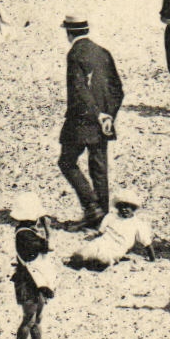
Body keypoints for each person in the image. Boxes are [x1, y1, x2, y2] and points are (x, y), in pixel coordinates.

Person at [59, 13, 125, 229]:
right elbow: (117, 89)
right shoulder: (103, 52)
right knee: (99, 167)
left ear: (69, 33)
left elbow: (79, 89)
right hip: (103, 123)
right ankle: (102, 217)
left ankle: (91, 207)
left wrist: (96, 113)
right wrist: (108, 116)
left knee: (67, 162)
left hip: (81, 121)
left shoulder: (75, 54)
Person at [7, 192, 55, 339]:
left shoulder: (26, 232)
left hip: (32, 279)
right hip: (28, 280)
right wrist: (48, 231)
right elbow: (47, 247)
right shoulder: (25, 235)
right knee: (29, 317)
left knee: (37, 316)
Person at [69, 188, 156, 269]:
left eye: (127, 206)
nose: (124, 209)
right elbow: (100, 232)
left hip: (118, 247)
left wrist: (152, 259)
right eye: (121, 206)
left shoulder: (137, 223)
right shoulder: (111, 217)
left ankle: (94, 264)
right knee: (84, 252)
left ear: (133, 208)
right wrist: (92, 238)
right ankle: (80, 261)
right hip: (103, 240)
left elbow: (147, 244)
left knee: (102, 259)